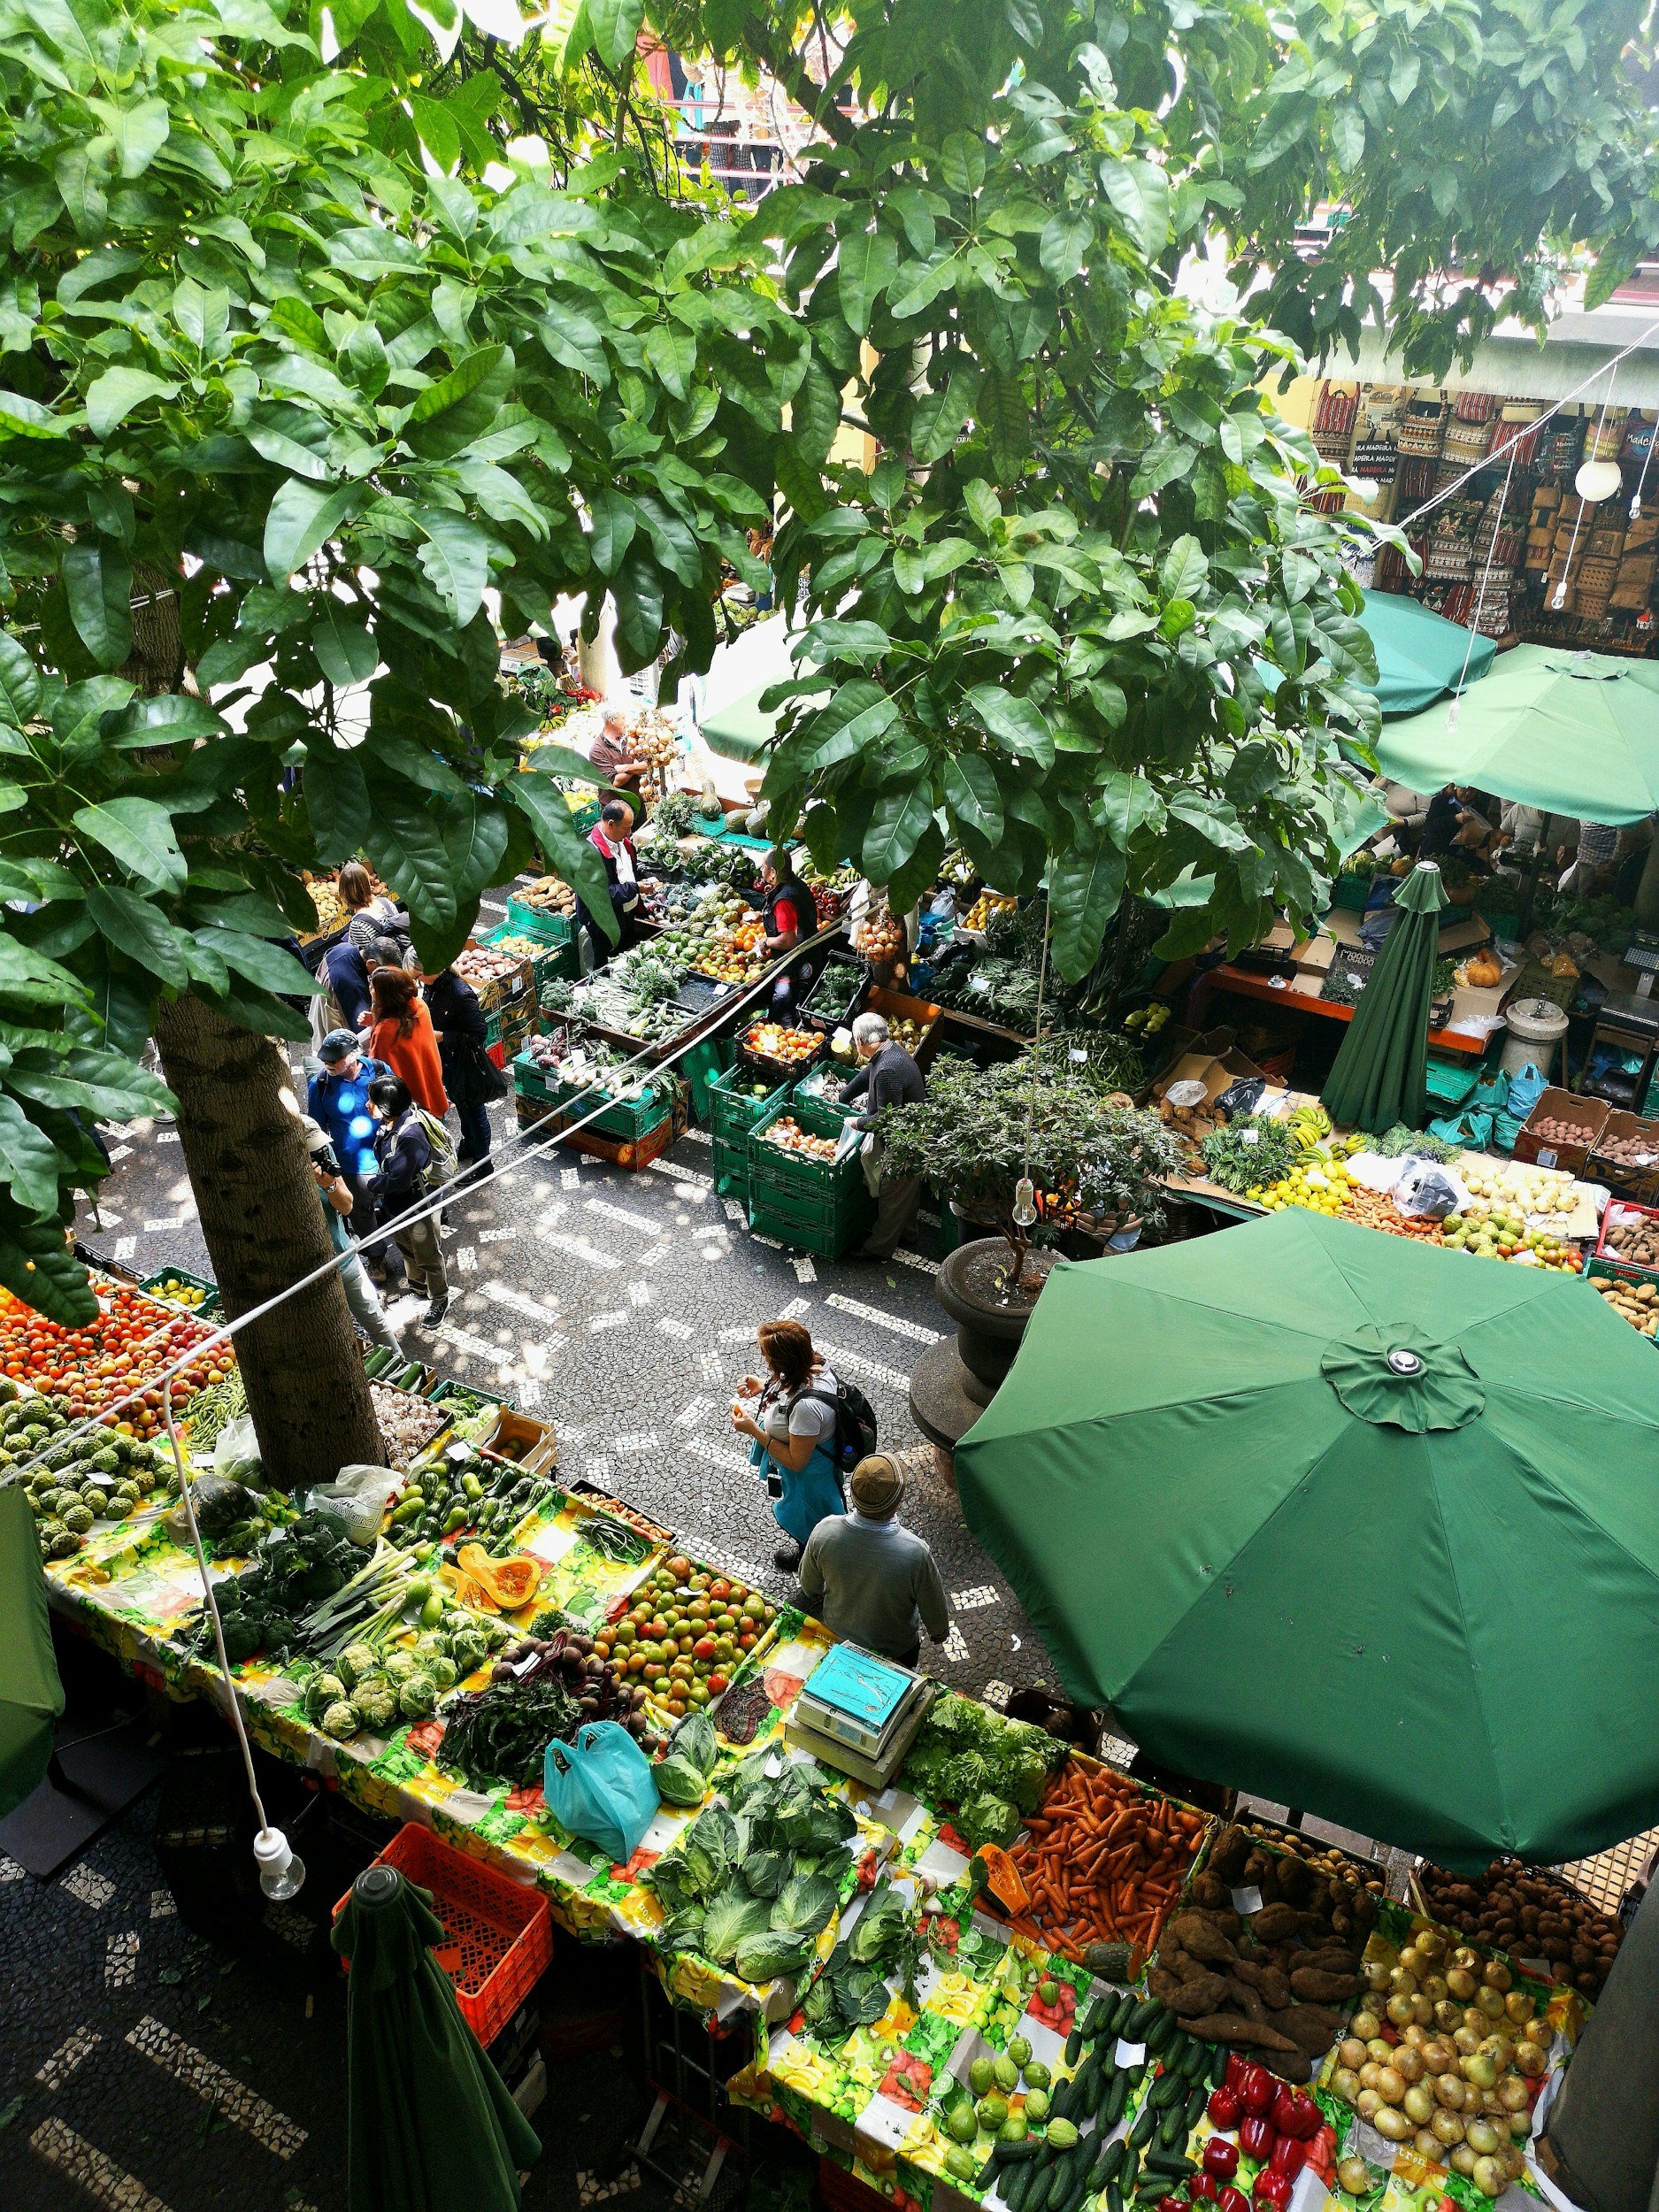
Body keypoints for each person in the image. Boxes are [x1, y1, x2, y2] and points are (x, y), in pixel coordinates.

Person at [798, 1453, 949, 1668]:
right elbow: (935, 1613)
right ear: (898, 1499)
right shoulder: (915, 1552)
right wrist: (939, 1631)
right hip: (895, 1652)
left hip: (837, 1637)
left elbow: (809, 1586)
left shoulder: (825, 1531)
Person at [730, 1317, 848, 1571]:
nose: (765, 1361)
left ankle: (811, 1560)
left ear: (783, 1364)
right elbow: (792, 1386)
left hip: (809, 1477)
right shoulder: (816, 1363)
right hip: (816, 1465)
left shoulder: (805, 1408)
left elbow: (796, 1461)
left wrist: (753, 1430)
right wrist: (764, 1385)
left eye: (769, 1359)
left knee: (810, 1520)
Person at [307, 1030, 403, 1287]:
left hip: (388, 1155)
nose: (329, 1064)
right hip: (351, 1165)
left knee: (401, 1201)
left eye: (335, 1059)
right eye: (325, 1060)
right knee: (360, 1213)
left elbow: (397, 1104)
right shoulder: (320, 1085)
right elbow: (317, 1129)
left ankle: (411, 1248)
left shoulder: (380, 1069)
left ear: (354, 1055)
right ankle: (376, 1255)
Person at [299, 1115, 403, 1352]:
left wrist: (329, 1185)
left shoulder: (322, 1153)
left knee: (375, 1322)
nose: (319, 1152)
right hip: (309, 1273)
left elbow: (346, 1206)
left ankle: (399, 1363)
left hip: (343, 1255)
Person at [839, 1010, 927, 1259]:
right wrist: (845, 1094)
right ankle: (908, 1234)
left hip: (906, 1142)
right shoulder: (891, 1051)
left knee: (892, 1193)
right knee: (906, 1193)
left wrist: (858, 1122)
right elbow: (869, 1073)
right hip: (913, 1135)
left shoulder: (888, 1069)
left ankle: (877, 1248)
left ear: (859, 1041)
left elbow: (888, 1119)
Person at [365, 1073, 449, 1326]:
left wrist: (373, 1185)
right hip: (398, 1206)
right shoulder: (390, 1125)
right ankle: (418, 1288)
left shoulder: (410, 1136)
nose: (368, 1105)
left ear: (387, 1106)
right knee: (406, 1248)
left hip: (416, 1207)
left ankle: (440, 1298)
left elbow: (398, 1181)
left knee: (428, 1255)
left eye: (373, 1101)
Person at [425, 962, 500, 1179]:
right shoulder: (434, 987)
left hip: (465, 1062)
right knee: (463, 1107)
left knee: (475, 1112)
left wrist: (443, 1037)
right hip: (449, 1061)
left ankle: (483, 1164)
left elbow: (479, 1033)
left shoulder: (460, 993)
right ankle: (469, 1145)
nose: (417, 979)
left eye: (419, 974)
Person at [366, 965, 449, 1118]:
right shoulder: (420, 1007)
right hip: (432, 1089)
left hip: (411, 1106)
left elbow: (377, 1069)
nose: (370, 990)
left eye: (373, 987)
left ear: (384, 995)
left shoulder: (385, 1031)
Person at [753, 844, 820, 1017]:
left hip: (793, 965)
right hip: (810, 954)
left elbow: (787, 940)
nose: (761, 870)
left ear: (773, 872)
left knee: (784, 1012)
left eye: (763, 867)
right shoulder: (798, 885)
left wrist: (766, 942)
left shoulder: (783, 901)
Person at [577, 797, 648, 960]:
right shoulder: (590, 855)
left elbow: (628, 870)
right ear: (610, 824)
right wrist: (636, 888)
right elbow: (603, 895)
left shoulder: (621, 842)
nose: (629, 833)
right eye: (626, 828)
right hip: (604, 924)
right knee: (606, 966)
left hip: (625, 916)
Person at [339, 862, 414, 961]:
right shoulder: (386, 902)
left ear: (343, 892)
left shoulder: (358, 925)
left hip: (387, 971)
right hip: (404, 959)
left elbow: (369, 962)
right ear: (367, 883)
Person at [584, 706, 649, 796]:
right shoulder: (597, 749)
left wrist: (626, 768)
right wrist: (636, 767)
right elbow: (614, 782)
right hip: (615, 807)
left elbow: (648, 766)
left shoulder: (630, 739)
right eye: (623, 718)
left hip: (638, 801)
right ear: (612, 720)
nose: (626, 722)